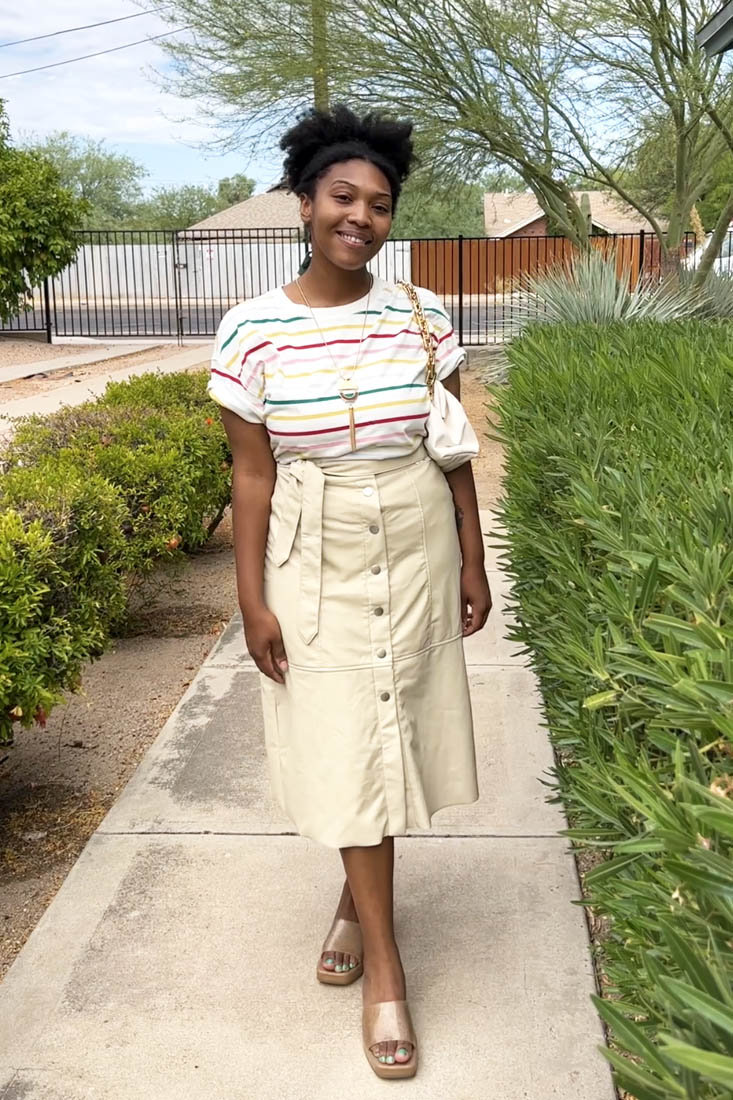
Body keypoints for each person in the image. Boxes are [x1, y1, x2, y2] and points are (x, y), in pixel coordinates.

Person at [207, 103, 492, 1080]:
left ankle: (353, 905)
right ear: (303, 204)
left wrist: (473, 554)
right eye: (342, 197)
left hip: (411, 534)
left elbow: (452, 448)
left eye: (378, 203)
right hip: (311, 544)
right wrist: (250, 598)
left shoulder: (421, 313)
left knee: (390, 726)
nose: (360, 217)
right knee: (338, 734)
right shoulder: (250, 329)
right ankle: (387, 969)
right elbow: (252, 474)